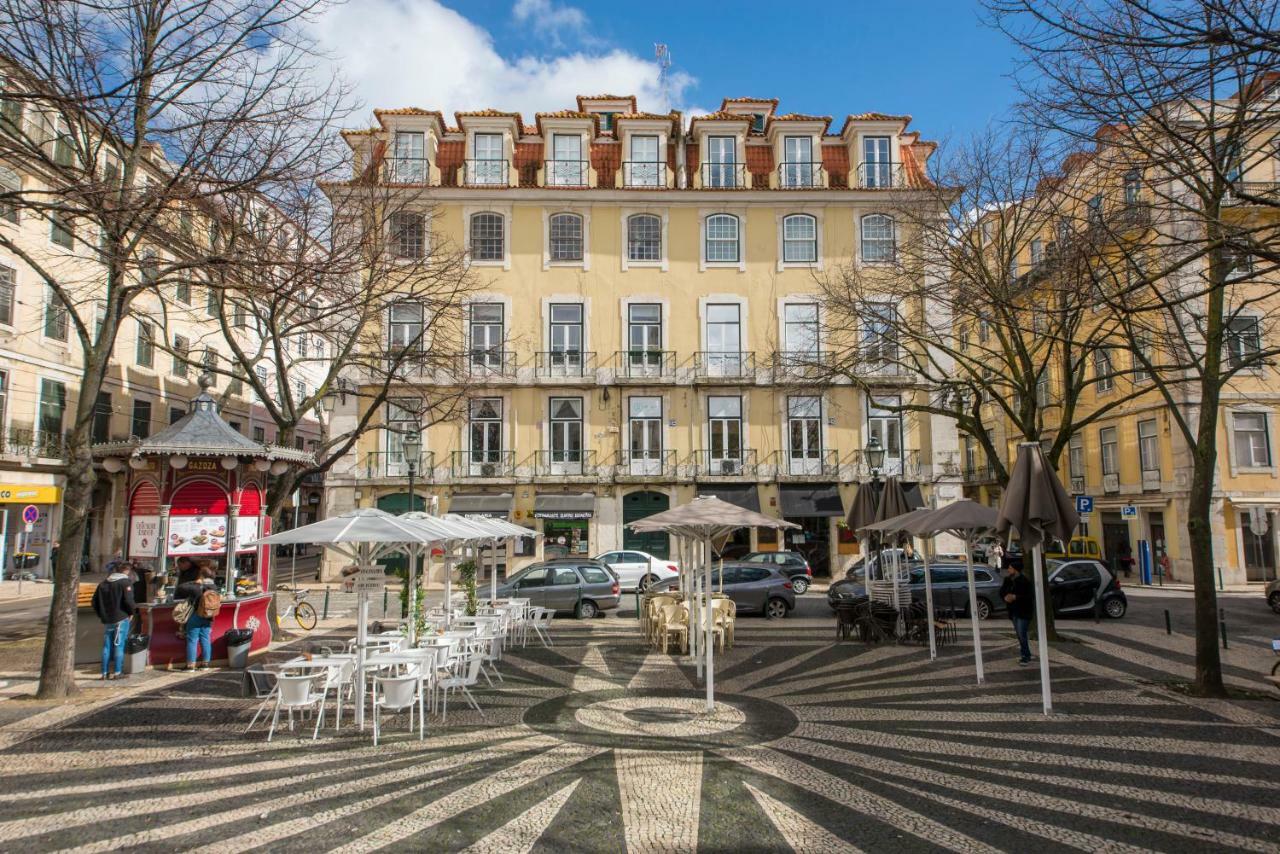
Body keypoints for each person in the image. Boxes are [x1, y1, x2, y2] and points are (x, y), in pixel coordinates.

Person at [91, 563, 137, 680]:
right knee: (119, 644)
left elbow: (94, 601)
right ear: (127, 571)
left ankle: (104, 672)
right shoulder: (125, 583)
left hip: (108, 619)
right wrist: (132, 612)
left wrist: (102, 614)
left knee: (106, 646)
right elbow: (128, 601)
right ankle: (117, 672)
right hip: (121, 617)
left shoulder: (103, 583)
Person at [175, 564, 218, 670]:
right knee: (205, 639)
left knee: (192, 640)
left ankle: (190, 666)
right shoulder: (214, 587)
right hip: (208, 617)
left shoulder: (197, 587)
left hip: (196, 615)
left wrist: (195, 582)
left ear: (201, 576)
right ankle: (205, 664)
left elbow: (180, 587)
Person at [999, 559, 1036, 665]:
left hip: (1024, 611)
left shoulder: (1024, 581)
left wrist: (1016, 597)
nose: (1008, 570)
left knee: (1021, 633)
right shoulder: (1008, 580)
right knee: (1019, 634)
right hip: (1013, 611)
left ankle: (1025, 656)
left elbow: (1029, 597)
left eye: (1010, 568)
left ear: (1016, 570)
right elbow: (1001, 591)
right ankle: (1026, 653)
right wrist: (1005, 597)